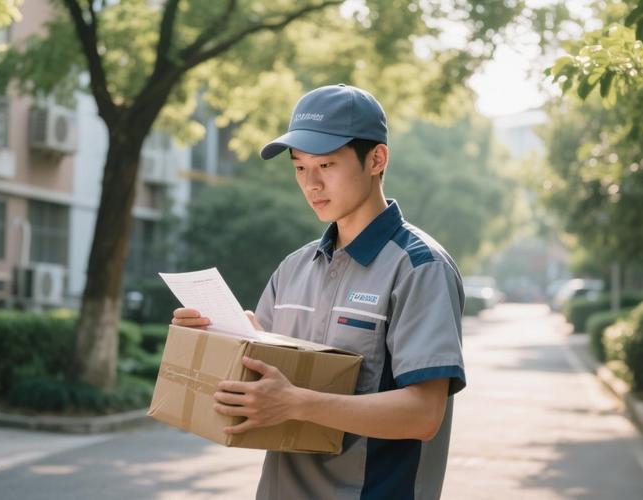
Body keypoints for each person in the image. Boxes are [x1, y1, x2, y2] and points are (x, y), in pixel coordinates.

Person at [172, 83, 466, 499]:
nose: (310, 184)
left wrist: (296, 403)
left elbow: (423, 414)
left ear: (376, 159)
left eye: (326, 165)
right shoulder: (294, 267)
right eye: (299, 167)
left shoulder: (419, 268)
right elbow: (266, 355)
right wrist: (212, 333)